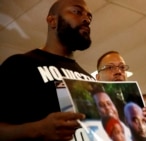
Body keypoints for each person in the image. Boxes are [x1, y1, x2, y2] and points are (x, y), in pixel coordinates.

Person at [0, 0, 94, 140]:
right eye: (77, 11)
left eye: (89, 16)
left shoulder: (90, 79)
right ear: (52, 21)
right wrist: (39, 129)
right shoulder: (19, 64)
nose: (86, 19)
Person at [96, 50, 146, 127]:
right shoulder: (94, 105)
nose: (118, 71)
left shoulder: (141, 104)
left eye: (122, 67)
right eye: (110, 67)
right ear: (98, 78)